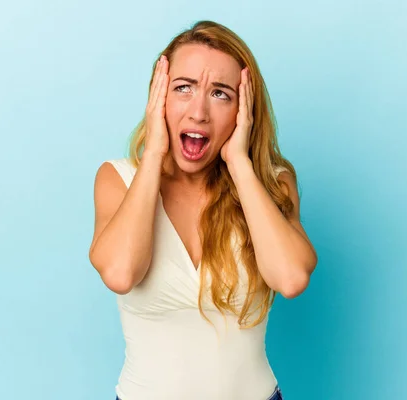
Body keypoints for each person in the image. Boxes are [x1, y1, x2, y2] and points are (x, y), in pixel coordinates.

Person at [89, 20, 318, 400]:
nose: (199, 112)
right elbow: (120, 272)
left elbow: (291, 278)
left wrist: (241, 166)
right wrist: (154, 157)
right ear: (157, 97)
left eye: (221, 94)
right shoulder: (118, 179)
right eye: (183, 88)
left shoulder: (273, 183)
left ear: (244, 110)